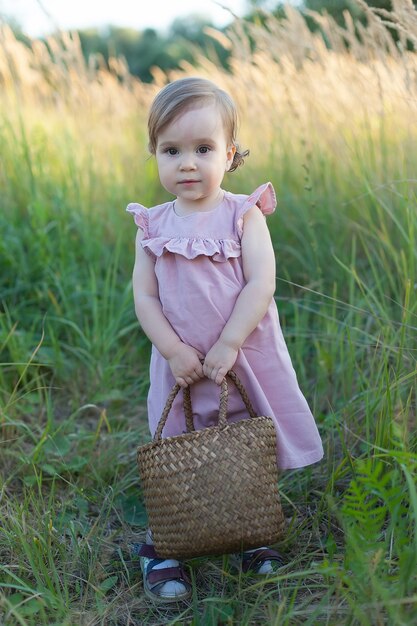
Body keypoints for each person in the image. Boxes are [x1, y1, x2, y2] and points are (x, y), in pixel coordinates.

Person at [127, 76, 323, 603]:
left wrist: (230, 342)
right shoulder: (152, 226)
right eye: (172, 150)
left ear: (230, 154)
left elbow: (262, 282)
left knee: (245, 438)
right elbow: (144, 297)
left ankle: (251, 534)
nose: (187, 163)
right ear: (155, 154)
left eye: (203, 149)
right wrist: (172, 349)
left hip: (242, 356)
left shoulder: (244, 213)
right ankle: (168, 542)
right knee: (177, 443)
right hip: (181, 362)